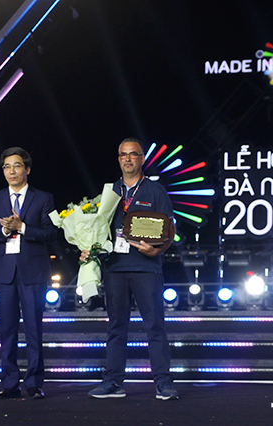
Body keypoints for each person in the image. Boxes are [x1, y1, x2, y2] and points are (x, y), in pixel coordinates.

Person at [84, 137, 179, 401]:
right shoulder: (109, 192)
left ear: (141, 159)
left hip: (146, 267)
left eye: (133, 154)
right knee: (116, 327)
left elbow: (169, 229)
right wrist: (88, 248)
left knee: (155, 326)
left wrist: (158, 250)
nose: (128, 159)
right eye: (123, 154)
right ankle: (113, 381)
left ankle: (163, 383)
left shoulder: (155, 191)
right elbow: (96, 229)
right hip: (114, 268)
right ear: (118, 159)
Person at [0, 147, 57, 400]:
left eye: (16, 166)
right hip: (4, 272)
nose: (11, 171)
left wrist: (22, 227)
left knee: (34, 329)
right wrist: (5, 231)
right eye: (6, 167)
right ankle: (10, 383)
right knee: (7, 330)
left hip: (33, 271)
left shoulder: (43, 198)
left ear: (27, 169)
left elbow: (51, 233)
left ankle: (34, 383)